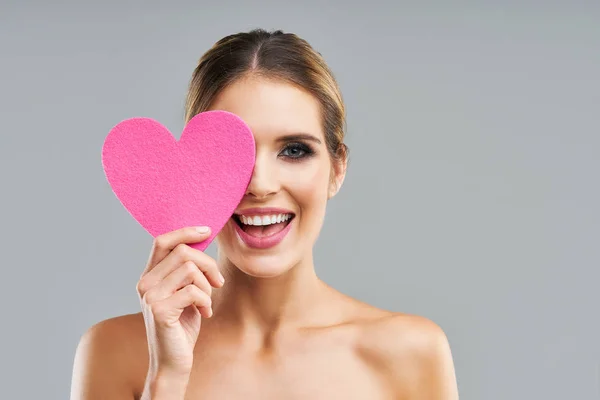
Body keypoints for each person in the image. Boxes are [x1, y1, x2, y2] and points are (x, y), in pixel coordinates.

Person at [70, 28, 459, 400]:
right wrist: (166, 380)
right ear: (192, 170)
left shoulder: (411, 352)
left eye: (294, 150)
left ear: (337, 169)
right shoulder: (114, 352)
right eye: (230, 154)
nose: (261, 184)